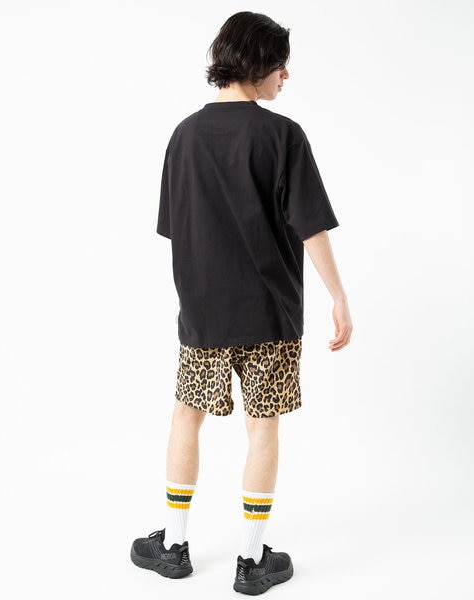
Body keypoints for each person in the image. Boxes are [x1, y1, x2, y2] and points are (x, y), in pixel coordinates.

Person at [130, 10, 352, 595]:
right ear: (258, 63)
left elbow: (176, 228)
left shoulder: (184, 135)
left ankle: (173, 546)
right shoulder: (282, 136)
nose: (286, 76)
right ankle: (252, 562)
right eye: (281, 65)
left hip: (203, 315)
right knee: (263, 428)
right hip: (271, 314)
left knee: (187, 416)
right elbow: (310, 226)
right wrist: (338, 296)